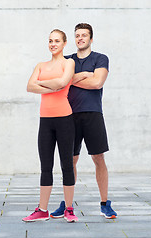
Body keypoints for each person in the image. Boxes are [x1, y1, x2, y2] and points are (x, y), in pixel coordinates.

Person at [46, 23, 117, 219]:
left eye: (84, 35)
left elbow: (97, 83)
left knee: (98, 158)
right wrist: (85, 74)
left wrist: (73, 79)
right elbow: (60, 82)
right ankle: (67, 205)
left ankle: (105, 204)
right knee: (70, 161)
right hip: (69, 115)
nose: (80, 38)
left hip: (93, 114)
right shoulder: (67, 60)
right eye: (77, 35)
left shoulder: (100, 58)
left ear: (91, 39)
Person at [22, 29, 78, 223]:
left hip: (65, 119)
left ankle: (69, 209)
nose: (53, 44)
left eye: (56, 41)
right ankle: (42, 210)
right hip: (45, 121)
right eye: (50, 41)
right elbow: (29, 86)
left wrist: (43, 83)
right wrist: (52, 85)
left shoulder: (69, 63)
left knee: (66, 166)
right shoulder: (41, 65)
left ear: (64, 44)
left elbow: (63, 83)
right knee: (46, 167)